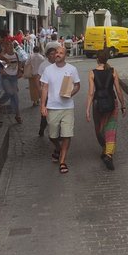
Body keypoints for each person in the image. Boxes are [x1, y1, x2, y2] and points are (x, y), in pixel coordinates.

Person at [40, 43, 80, 173]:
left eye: (61, 53)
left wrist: (70, 93)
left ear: (65, 55)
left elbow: (77, 85)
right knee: (52, 136)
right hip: (52, 107)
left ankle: (62, 161)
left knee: (67, 134)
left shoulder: (72, 69)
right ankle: (57, 148)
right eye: (56, 52)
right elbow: (44, 88)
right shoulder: (48, 70)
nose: (57, 54)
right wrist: (43, 105)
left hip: (68, 107)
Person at [86, 48, 126, 169]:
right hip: (111, 102)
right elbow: (118, 91)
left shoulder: (92, 73)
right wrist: (123, 105)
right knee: (111, 128)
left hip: (98, 103)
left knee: (99, 129)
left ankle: (104, 148)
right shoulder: (113, 71)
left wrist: (87, 109)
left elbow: (91, 93)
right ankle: (108, 154)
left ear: (97, 59)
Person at [26, 43, 47, 108]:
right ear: (39, 51)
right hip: (40, 75)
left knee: (32, 88)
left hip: (32, 74)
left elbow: (26, 63)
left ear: (33, 50)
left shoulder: (31, 56)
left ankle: (35, 101)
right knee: (39, 87)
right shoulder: (42, 57)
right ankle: (39, 99)